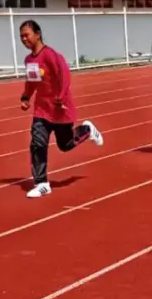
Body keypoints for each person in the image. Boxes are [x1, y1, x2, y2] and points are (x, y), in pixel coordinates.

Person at [19, 20, 104, 199]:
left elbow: (64, 75)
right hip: (42, 110)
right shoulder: (29, 60)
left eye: (27, 35)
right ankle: (42, 183)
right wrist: (26, 97)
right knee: (37, 143)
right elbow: (31, 81)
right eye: (21, 36)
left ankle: (87, 129)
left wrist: (61, 95)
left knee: (65, 145)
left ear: (38, 34)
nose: (24, 39)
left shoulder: (50, 55)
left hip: (60, 109)